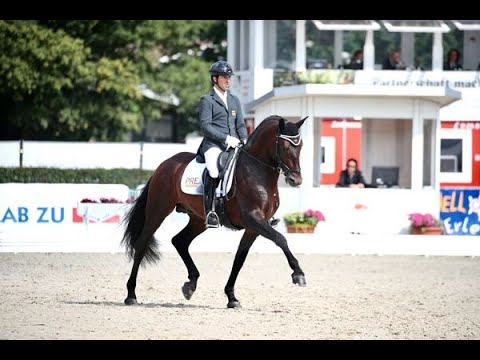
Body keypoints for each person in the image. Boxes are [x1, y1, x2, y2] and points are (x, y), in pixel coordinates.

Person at [196, 60, 248, 228]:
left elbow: (240, 124)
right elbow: (205, 126)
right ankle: (211, 211)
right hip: (213, 145)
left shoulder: (234, 100)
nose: (228, 80)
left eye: (229, 77)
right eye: (224, 77)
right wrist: (225, 139)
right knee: (213, 169)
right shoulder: (207, 100)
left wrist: (245, 139)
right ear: (214, 79)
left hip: (235, 144)